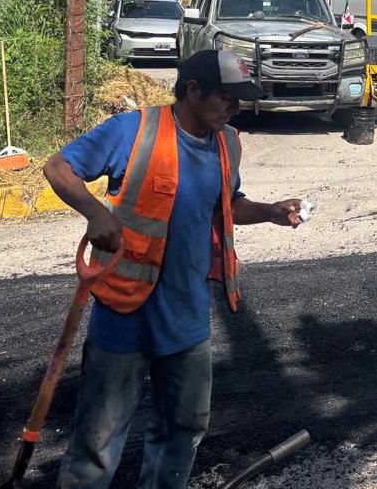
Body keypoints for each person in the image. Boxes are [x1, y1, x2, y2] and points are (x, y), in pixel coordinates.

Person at [43, 50, 303, 489]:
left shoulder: (227, 142)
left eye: (239, 98)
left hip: (187, 319)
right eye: (226, 97)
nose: (235, 106)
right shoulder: (134, 131)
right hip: (124, 318)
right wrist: (95, 213)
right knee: (98, 442)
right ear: (193, 90)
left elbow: (226, 205)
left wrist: (270, 212)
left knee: (182, 431)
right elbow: (58, 167)